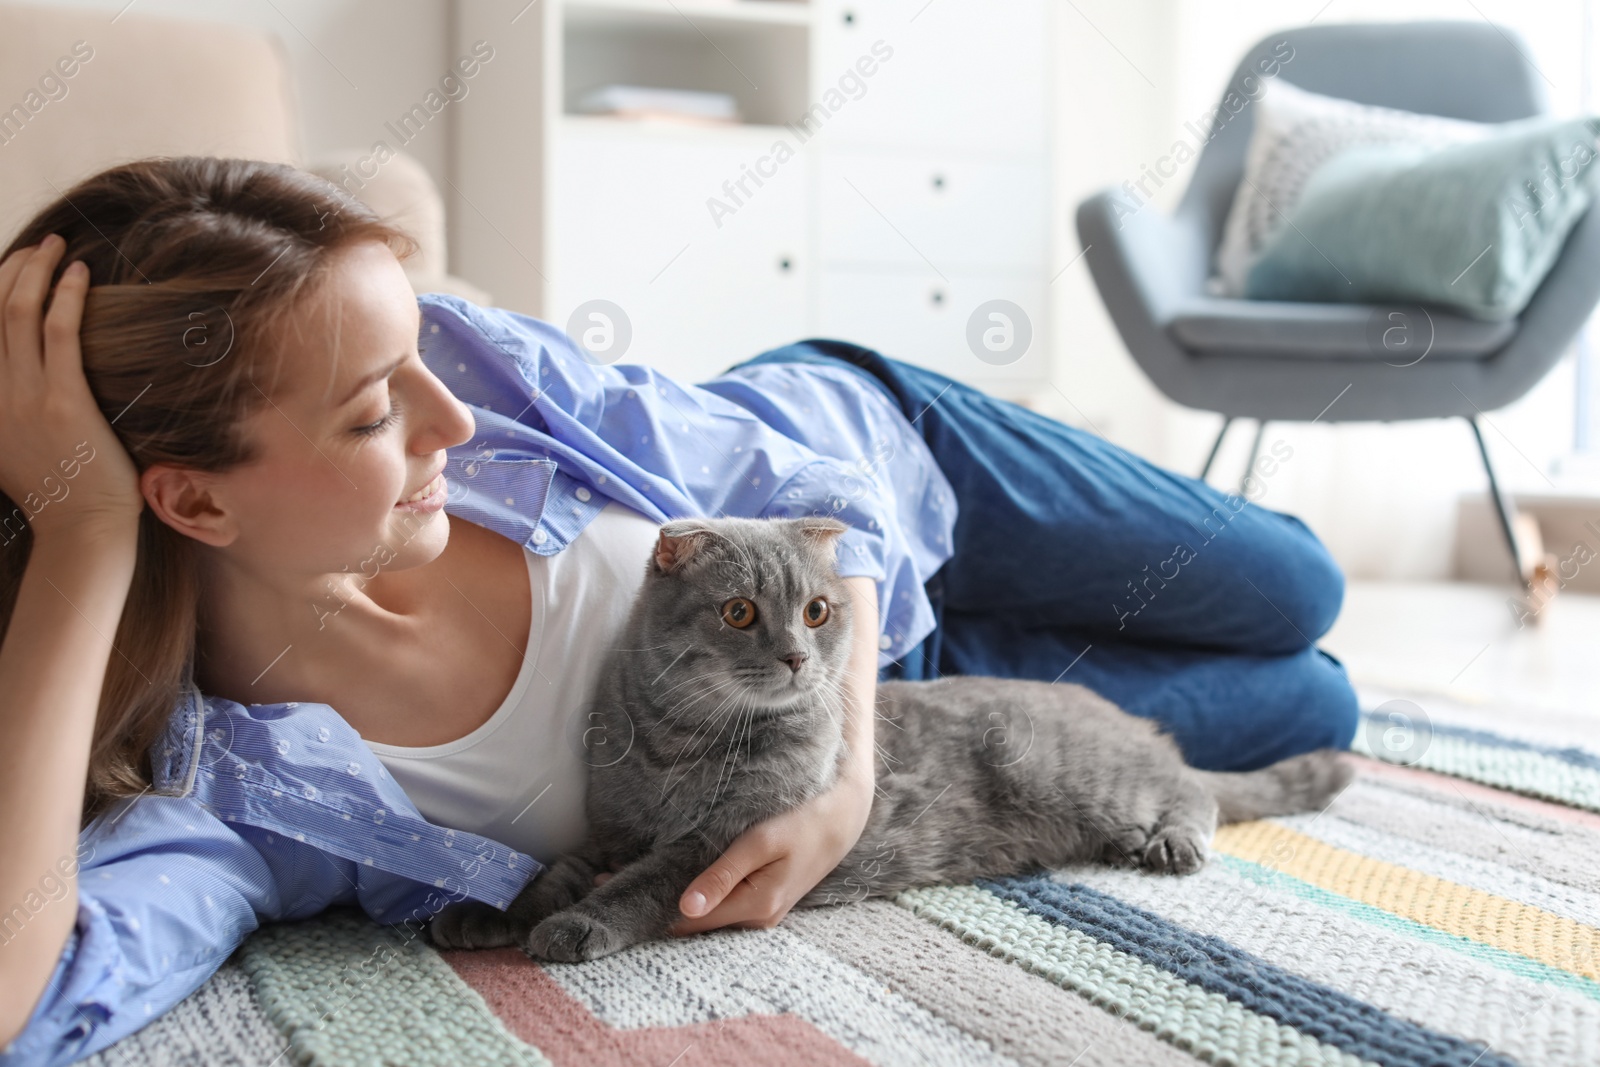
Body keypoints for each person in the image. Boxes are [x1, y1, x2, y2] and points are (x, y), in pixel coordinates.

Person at [0, 157, 1356, 1065]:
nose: (451, 415)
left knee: (1300, 587)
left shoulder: (484, 383)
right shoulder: (244, 795)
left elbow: (802, 463)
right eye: (373, 410)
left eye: (416, 356)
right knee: (1309, 706)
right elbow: (21, 998)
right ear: (191, 503)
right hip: (957, 727)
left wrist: (842, 769)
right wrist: (79, 537)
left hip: (878, 498)